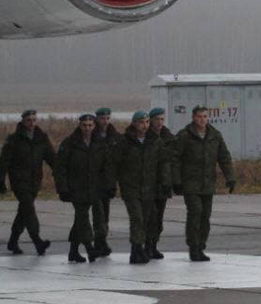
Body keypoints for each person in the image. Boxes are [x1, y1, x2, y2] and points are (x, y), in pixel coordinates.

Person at [173, 105, 235, 262]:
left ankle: (201, 246)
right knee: (195, 213)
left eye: (205, 117)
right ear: (193, 118)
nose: (202, 120)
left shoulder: (215, 135)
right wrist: (176, 181)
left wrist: (230, 177)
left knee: (205, 217)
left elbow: (224, 158)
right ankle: (193, 247)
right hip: (190, 184)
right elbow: (175, 159)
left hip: (207, 184)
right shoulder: (184, 136)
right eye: (199, 117)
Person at [53, 113, 114, 263]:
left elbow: (107, 167)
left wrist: (110, 186)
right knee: (83, 219)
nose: (87, 128)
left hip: (95, 188)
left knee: (95, 219)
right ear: (80, 126)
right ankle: (89, 247)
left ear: (94, 126)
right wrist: (63, 188)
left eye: (90, 125)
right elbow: (60, 168)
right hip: (77, 188)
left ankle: (73, 251)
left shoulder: (100, 143)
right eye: (84, 125)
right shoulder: (70, 143)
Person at [113, 111, 172, 264]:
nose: (144, 125)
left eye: (146, 122)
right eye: (141, 122)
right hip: (131, 188)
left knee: (147, 219)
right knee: (137, 218)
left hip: (149, 188)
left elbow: (163, 162)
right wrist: (112, 184)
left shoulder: (155, 141)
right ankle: (136, 249)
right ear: (134, 123)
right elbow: (114, 164)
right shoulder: (124, 142)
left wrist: (165, 182)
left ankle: (142, 247)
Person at [1, 109, 54, 256]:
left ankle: (12, 242)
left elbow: (51, 158)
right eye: (29, 120)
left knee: (23, 212)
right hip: (19, 181)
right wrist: (1, 181)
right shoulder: (14, 139)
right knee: (29, 209)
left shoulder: (41, 138)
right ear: (23, 121)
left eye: (34, 120)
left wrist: (62, 174)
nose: (31, 123)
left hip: (35, 181)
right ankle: (38, 241)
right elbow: (4, 162)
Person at [90, 107, 120, 258]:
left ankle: (101, 242)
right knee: (98, 214)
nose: (105, 121)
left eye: (108, 118)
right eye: (102, 118)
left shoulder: (114, 136)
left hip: (108, 183)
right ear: (97, 119)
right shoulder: (91, 135)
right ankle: (99, 242)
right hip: (94, 182)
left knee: (105, 214)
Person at [146, 107, 175, 259]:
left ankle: (154, 245)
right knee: (149, 217)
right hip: (148, 184)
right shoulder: (145, 136)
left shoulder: (168, 137)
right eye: (157, 119)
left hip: (163, 184)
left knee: (158, 219)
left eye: (162, 119)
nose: (160, 122)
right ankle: (147, 245)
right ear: (150, 120)